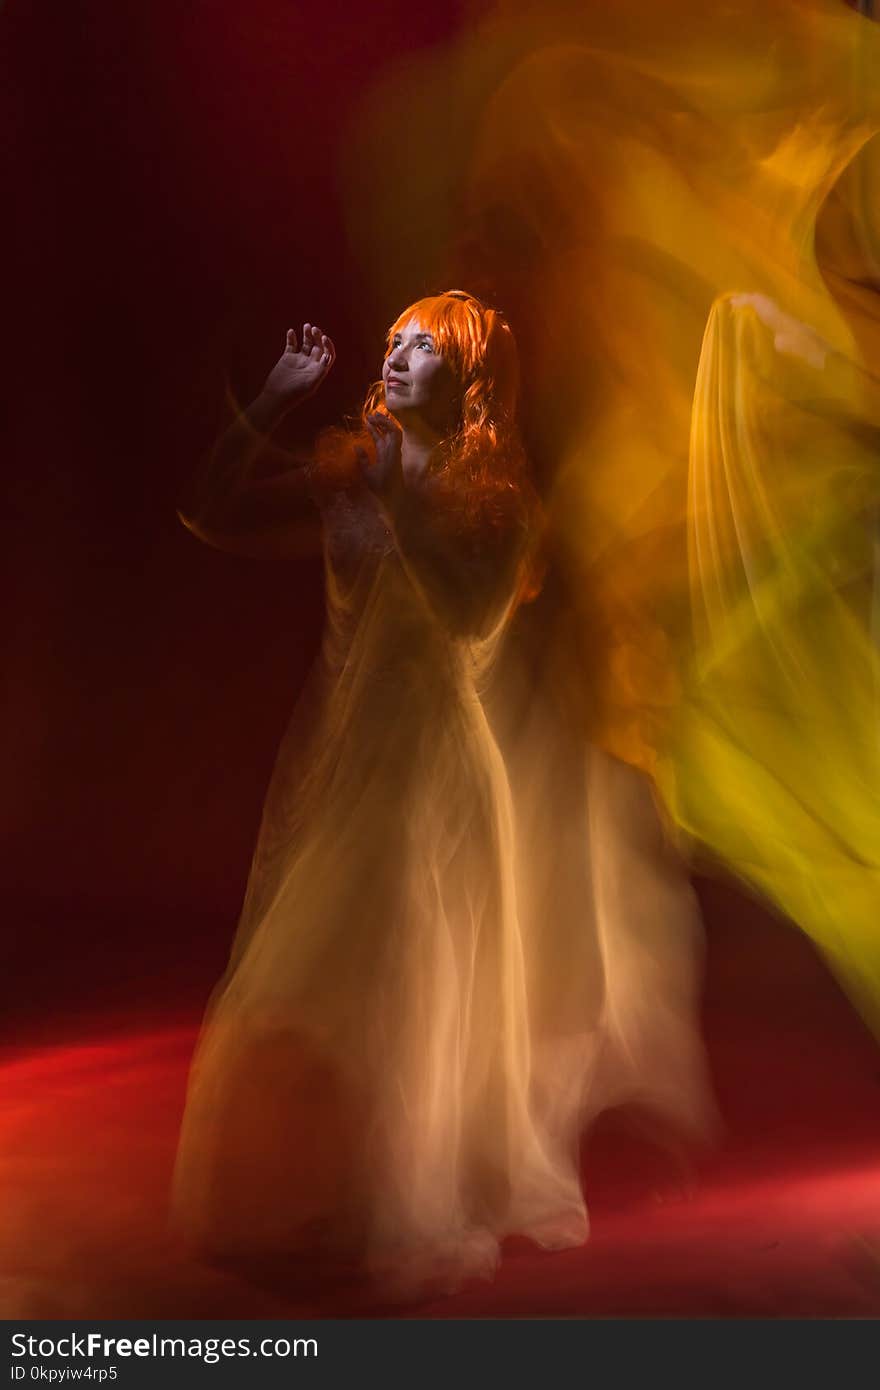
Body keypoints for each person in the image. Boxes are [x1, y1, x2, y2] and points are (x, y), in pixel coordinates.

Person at [172, 290, 716, 1299]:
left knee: (403, 984)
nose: (394, 358)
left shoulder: (494, 502)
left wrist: (399, 491)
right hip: (343, 754)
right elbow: (210, 511)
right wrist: (272, 404)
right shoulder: (357, 473)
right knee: (308, 978)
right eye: (391, 343)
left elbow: (466, 624)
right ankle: (317, 1193)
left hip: (436, 772)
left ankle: (389, 1202)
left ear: (467, 380)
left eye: (421, 348)